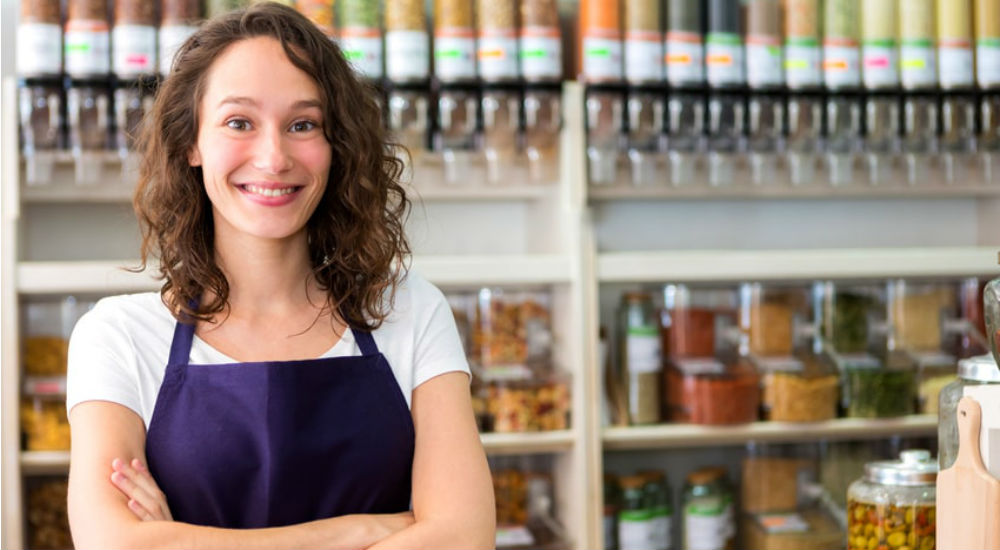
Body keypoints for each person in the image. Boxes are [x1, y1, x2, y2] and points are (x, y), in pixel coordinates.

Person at [65, 3, 495, 548]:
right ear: (192, 142)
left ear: (336, 146)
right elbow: (114, 544)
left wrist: (183, 539)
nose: (273, 157)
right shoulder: (118, 337)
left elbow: (463, 537)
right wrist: (364, 531)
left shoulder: (410, 310)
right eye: (239, 122)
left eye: (302, 124)